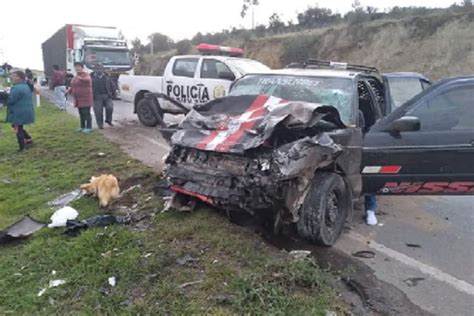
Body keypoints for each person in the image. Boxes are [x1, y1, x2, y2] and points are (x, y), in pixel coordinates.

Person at [6, 70, 35, 152]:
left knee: (17, 128)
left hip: (18, 111)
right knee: (18, 127)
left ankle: (22, 147)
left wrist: (3, 97)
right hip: (26, 110)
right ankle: (28, 139)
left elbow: (11, 100)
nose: (12, 77)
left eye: (14, 76)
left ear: (20, 77)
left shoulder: (16, 88)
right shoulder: (26, 86)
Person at [68, 62, 93, 133]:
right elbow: (73, 85)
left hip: (85, 98)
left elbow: (87, 80)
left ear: (82, 67)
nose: (77, 68)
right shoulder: (75, 76)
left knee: (86, 113)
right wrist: (69, 90)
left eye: (79, 67)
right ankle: (82, 127)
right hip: (78, 99)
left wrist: (79, 77)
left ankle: (89, 127)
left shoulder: (86, 75)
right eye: (76, 67)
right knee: (81, 114)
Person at [91, 64, 114, 129]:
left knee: (110, 107)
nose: (99, 70)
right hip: (97, 96)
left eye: (100, 68)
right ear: (95, 70)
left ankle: (108, 120)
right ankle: (100, 124)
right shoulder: (91, 77)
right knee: (98, 111)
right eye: (97, 69)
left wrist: (112, 94)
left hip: (107, 95)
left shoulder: (107, 76)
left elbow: (112, 85)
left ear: (103, 69)